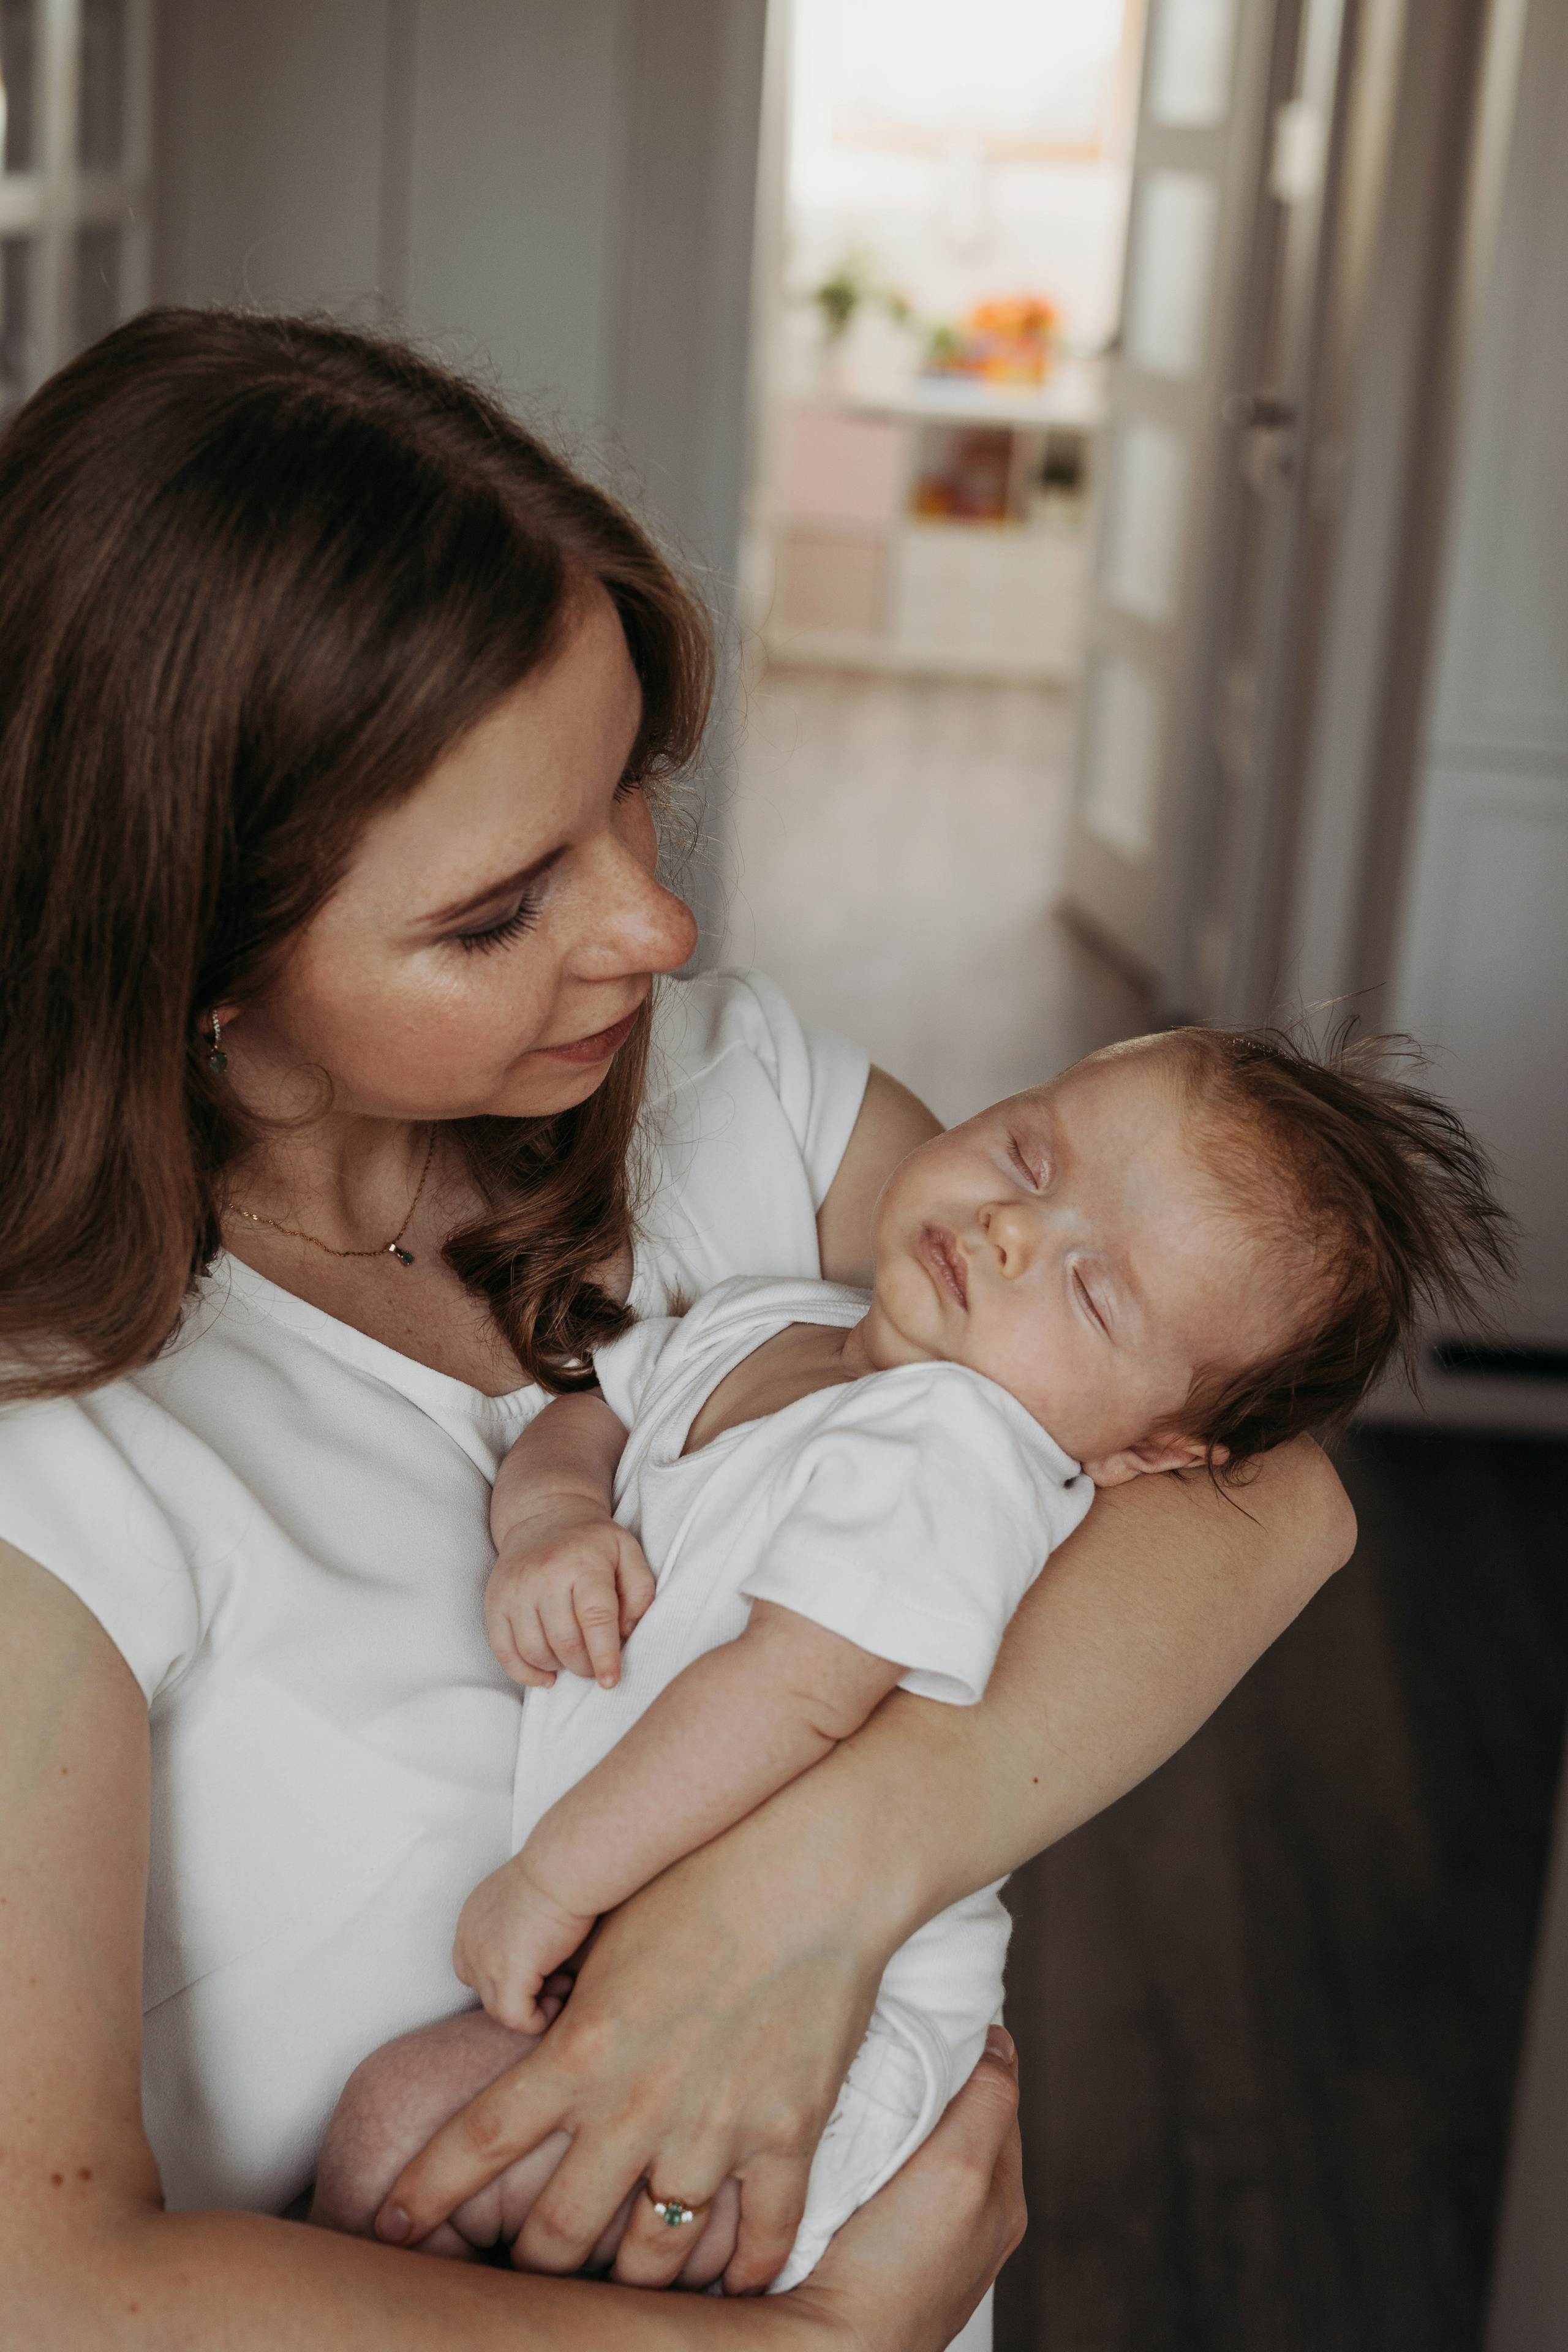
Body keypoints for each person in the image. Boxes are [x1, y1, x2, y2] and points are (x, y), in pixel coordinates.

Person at [0, 309, 1355, 2349]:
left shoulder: (736, 1098)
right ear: (187, 952)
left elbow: (1266, 1494)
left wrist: (799, 1897)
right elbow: (49, 2287)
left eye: (635, 795)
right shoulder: (60, 1447)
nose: (657, 929)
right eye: (499, 908)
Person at [310, 1024, 1507, 2290]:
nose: (1011, 1229)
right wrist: (555, 1518)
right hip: (664, 1972)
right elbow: (595, 1406)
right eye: (1029, 1153)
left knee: (400, 2136)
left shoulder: (951, 1450)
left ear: (1149, 1452)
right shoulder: (781, 1323)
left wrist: (554, 1882)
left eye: (1093, 1291)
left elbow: (790, 1695)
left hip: (823, 2047)